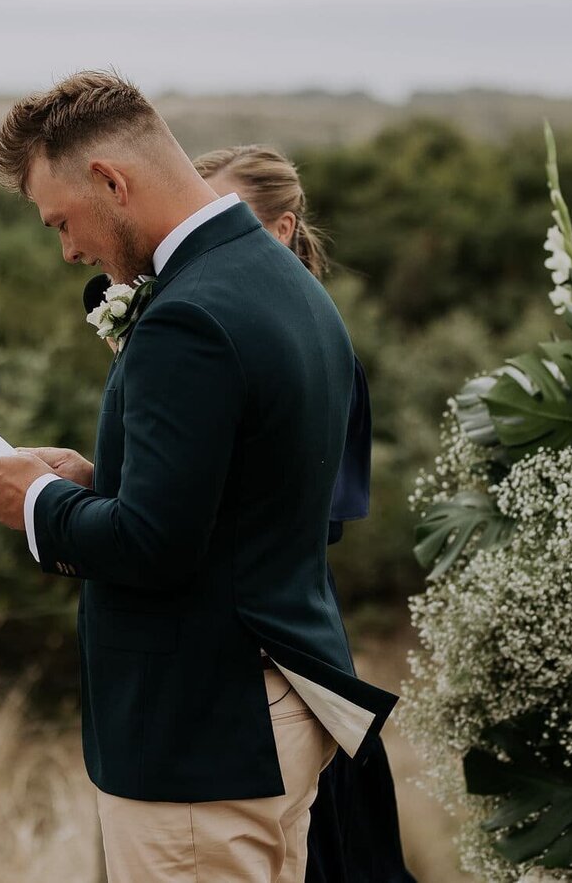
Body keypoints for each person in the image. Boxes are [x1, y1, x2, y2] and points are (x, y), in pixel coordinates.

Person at [0, 70, 396, 883]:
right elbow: (246, 492)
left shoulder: (187, 315)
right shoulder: (283, 282)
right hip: (275, 706)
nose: (67, 249)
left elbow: (154, 544)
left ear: (111, 180)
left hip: (201, 734)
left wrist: (39, 502)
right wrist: (100, 475)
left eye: (62, 220)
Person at [197, 146, 417, 883]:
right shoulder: (213, 334)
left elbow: (299, 514)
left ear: (285, 228)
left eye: (229, 219)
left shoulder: (317, 353)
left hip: (286, 645)